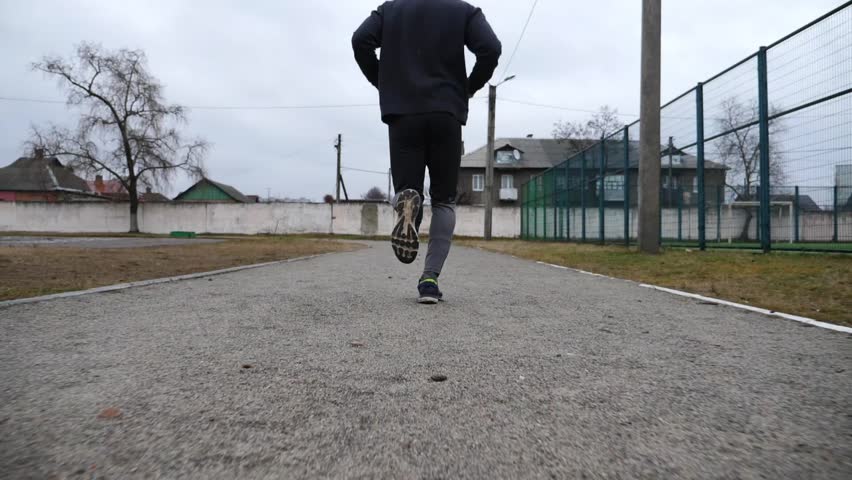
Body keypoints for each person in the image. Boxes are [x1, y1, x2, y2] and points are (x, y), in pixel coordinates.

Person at [352, 0, 502, 304]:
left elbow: (360, 40)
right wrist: (467, 88)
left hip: (403, 113)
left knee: (408, 189)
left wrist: (384, 83)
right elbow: (491, 48)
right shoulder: (463, 11)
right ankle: (430, 280)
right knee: (444, 200)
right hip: (446, 112)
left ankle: (408, 204)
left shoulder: (390, 10)